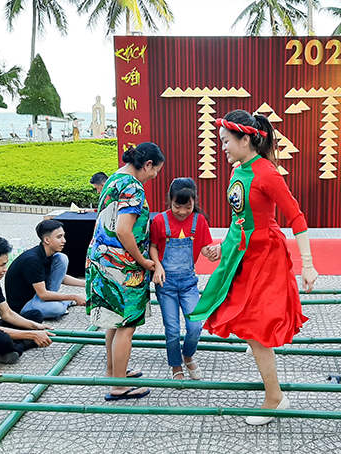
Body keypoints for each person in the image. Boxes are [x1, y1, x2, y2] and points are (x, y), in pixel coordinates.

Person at [189, 110, 318, 425]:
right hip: (242, 255)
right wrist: (223, 246)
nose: (223, 148)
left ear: (245, 139)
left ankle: (274, 398)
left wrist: (308, 264)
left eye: (226, 141)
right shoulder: (238, 171)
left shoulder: (267, 173)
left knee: (257, 327)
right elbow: (239, 221)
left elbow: (296, 216)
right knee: (237, 312)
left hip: (266, 257)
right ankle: (258, 346)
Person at [86, 142, 165, 401]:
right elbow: (123, 230)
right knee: (127, 325)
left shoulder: (115, 178)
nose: (154, 177)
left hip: (101, 259)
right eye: (155, 172)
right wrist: (143, 261)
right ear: (148, 164)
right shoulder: (133, 186)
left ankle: (114, 372)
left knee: (112, 319)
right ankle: (118, 386)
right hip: (122, 264)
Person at [150, 178, 216, 380]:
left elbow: (205, 247)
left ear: (195, 201)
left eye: (188, 206)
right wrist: (157, 266)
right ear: (169, 200)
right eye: (177, 206)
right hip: (166, 284)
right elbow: (152, 246)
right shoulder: (160, 220)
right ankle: (175, 365)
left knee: (195, 326)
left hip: (189, 284)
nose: (182, 211)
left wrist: (212, 252)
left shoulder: (200, 221)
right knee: (171, 329)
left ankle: (188, 355)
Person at [0, 237, 54, 365]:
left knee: (34, 315)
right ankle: (16, 346)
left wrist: (35, 326)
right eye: (2, 265)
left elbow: (7, 314)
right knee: (1, 337)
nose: (5, 269)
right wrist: (32, 335)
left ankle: (12, 347)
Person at [4, 220, 86, 319]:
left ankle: (59, 301)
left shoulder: (48, 254)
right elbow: (42, 294)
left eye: (63, 236)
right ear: (47, 240)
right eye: (59, 237)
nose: (64, 240)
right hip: (24, 304)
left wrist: (87, 284)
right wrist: (74, 296)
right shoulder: (32, 260)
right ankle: (61, 303)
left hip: (38, 296)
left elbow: (60, 277)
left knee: (61, 258)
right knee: (58, 309)